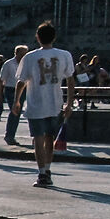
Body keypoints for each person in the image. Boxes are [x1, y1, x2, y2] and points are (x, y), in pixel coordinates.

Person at [19, 21, 73, 187]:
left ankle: (42, 172)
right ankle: (47, 169)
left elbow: (22, 81)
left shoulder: (30, 57)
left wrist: (16, 100)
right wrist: (69, 103)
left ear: (37, 37)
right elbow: (71, 80)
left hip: (35, 103)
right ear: (54, 37)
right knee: (49, 138)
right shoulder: (65, 55)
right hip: (55, 102)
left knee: (38, 138)